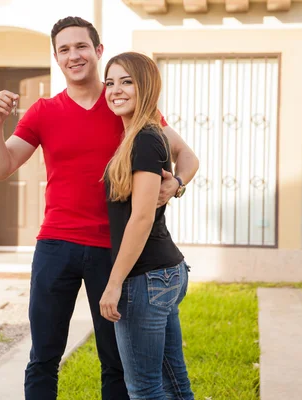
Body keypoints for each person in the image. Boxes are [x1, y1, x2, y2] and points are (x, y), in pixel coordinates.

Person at [0, 17, 199, 400]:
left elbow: (187, 157)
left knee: (115, 360)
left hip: (113, 251)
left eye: (81, 46)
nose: (73, 55)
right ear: (56, 57)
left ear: (98, 51)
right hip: (56, 246)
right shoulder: (43, 112)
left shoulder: (124, 104)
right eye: (64, 49)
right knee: (44, 356)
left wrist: (176, 184)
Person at [99, 51, 194, 400]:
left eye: (127, 82)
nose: (115, 90)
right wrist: (179, 181)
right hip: (164, 272)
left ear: (146, 86)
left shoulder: (144, 138)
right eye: (110, 82)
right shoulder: (144, 136)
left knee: (144, 389)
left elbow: (141, 218)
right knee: (173, 382)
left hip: (145, 278)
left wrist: (114, 283)